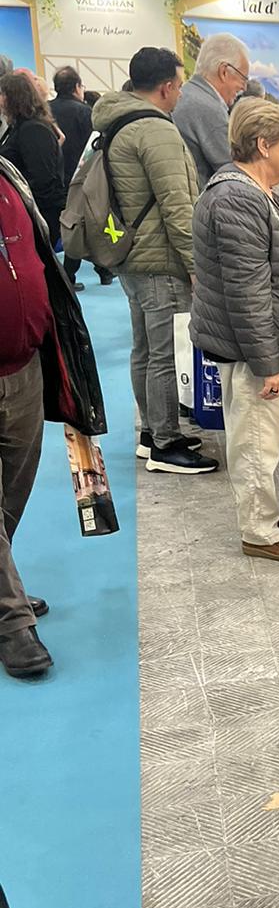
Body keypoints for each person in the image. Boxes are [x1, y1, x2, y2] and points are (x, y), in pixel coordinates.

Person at [190, 99, 279, 562]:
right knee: (255, 440)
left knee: (258, 435)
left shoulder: (244, 191)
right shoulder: (238, 199)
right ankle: (260, 531)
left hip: (253, 342)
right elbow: (248, 292)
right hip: (251, 349)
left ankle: (263, 510)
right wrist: (267, 364)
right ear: (263, 146)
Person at [0, 150, 106, 679]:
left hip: (24, 366)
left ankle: (4, 588)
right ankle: (11, 621)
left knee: (11, 494)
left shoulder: (8, 175)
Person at [95, 47, 216, 474]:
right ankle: (166, 442)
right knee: (163, 352)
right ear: (166, 86)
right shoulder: (156, 130)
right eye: (179, 85)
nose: (180, 93)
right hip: (159, 258)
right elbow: (177, 205)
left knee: (145, 348)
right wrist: (196, 265)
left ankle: (151, 432)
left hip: (130, 253)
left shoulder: (117, 122)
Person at [0, 73, 67, 284]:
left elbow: (43, 178)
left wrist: (23, 206)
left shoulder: (33, 129)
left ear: (12, 96)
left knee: (41, 271)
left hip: (39, 211)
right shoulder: (20, 127)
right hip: (30, 209)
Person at [49, 66, 107, 288]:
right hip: (81, 178)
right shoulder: (85, 112)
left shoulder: (45, 110)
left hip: (54, 180)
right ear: (76, 87)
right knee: (83, 225)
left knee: (67, 226)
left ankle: (95, 270)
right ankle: (76, 274)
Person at [173, 31, 251, 186]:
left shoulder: (187, 94)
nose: (244, 87)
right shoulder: (208, 108)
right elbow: (234, 172)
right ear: (224, 71)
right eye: (243, 78)